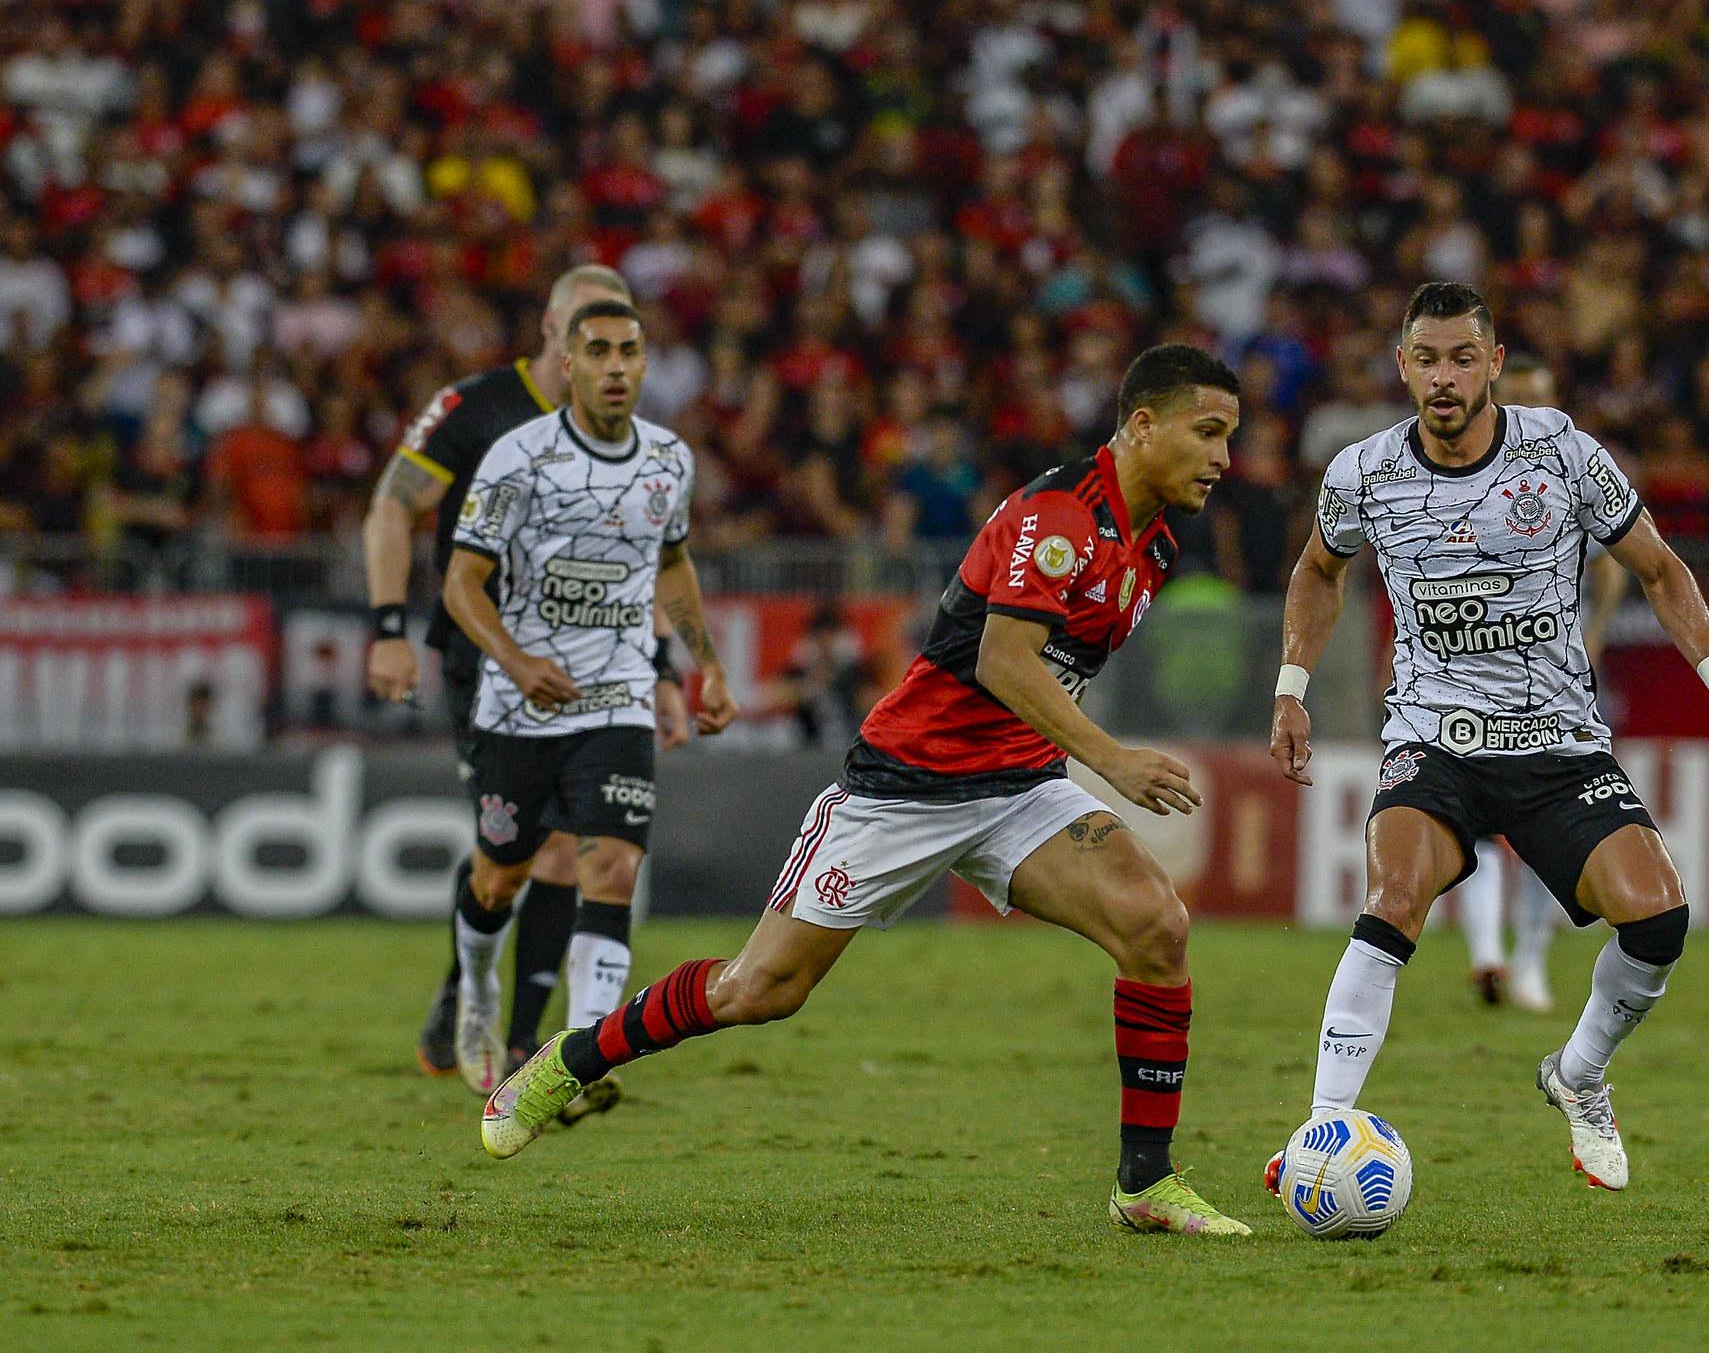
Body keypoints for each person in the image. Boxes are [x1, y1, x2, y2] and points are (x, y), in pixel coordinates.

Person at [480, 345, 1255, 1238]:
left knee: (1156, 927)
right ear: (1144, 424)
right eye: (1208, 433)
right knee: (757, 991)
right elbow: (1006, 662)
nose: (1223, 459)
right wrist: (1113, 762)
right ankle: (571, 1058)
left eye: (1230, 438)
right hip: (906, 786)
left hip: (1017, 786)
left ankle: (1145, 1184)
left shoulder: (1152, 542)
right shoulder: (1062, 518)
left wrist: (1075, 765)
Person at [1269, 284, 1709, 1190]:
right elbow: (1319, 571)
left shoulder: (1562, 452)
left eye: (1462, 357)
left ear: (1494, 363)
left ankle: (1579, 1075)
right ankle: (1322, 1132)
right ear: (1403, 367)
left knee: (1658, 918)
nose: (1443, 377)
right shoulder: (1364, 473)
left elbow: (1659, 568)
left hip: (1557, 742)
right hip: (1433, 737)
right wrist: (1291, 687)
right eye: (1426, 359)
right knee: (1393, 900)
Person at [363, 267, 692, 1094]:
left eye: (623, 337)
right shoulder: (479, 411)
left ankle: (526, 1052)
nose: (606, 351)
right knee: (511, 852)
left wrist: (666, 670)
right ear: (554, 330)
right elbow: (391, 507)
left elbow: (641, 564)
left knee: (575, 854)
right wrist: (387, 627)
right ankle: (465, 987)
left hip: (602, 668)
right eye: (587, 329)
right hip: (487, 660)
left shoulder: (641, 445)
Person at [442, 299, 737, 1101]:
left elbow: (671, 563)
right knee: (500, 877)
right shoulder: (518, 457)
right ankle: (476, 992)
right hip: (520, 703)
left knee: (608, 865)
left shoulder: (669, 459)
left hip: (616, 697)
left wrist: (702, 663)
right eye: (598, 351)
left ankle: (577, 1057)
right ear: (568, 364)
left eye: (629, 352)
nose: (615, 366)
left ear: (646, 365)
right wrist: (513, 656)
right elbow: (461, 581)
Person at [1450, 352, 1631, 1015]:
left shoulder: (1577, 468)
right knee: (1475, 822)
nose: (1529, 414)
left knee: (1544, 828)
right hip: (1477, 677)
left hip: (1558, 683)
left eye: (1539, 399)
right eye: (1516, 399)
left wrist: (1597, 633)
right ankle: (1489, 957)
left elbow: (1613, 565)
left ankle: (1524, 961)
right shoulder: (1461, 474)